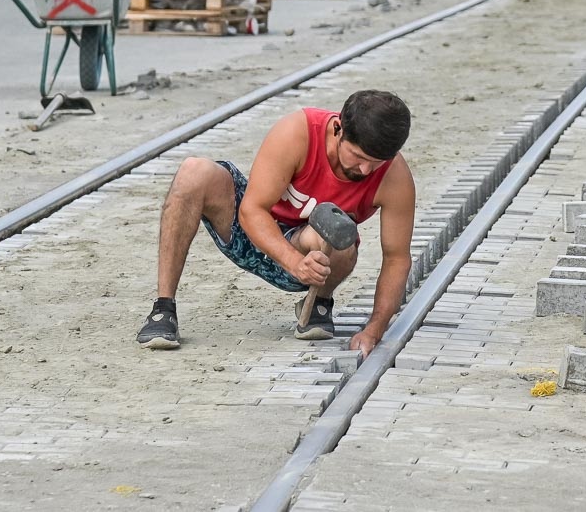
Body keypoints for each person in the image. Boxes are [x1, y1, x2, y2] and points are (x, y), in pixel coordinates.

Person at [135, 90, 416, 357]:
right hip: (251, 231)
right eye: (358, 157)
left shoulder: (394, 177)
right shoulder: (298, 132)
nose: (365, 170)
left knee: (340, 235)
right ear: (338, 129)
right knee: (193, 172)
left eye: (376, 163)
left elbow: (397, 259)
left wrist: (374, 330)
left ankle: (319, 302)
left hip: (314, 261)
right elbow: (252, 211)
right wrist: (293, 262)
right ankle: (163, 308)